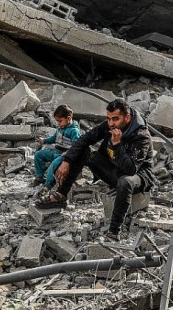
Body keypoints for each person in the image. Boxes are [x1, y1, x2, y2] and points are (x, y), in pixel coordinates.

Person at [36, 98, 156, 240]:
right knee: (83, 150)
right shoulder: (110, 125)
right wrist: (67, 160)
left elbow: (131, 169)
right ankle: (61, 195)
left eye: (115, 119)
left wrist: (117, 145)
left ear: (127, 118)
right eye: (109, 119)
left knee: (125, 182)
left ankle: (114, 231)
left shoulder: (141, 136)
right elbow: (85, 139)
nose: (111, 123)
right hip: (114, 170)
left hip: (138, 177)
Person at [32, 104, 81, 194]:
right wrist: (44, 140)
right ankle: (39, 177)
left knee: (53, 165)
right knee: (38, 155)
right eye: (57, 121)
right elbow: (53, 138)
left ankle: (48, 186)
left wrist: (68, 153)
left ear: (69, 118)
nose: (58, 123)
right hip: (55, 152)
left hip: (64, 155)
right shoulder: (60, 128)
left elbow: (77, 146)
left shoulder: (74, 131)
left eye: (60, 121)